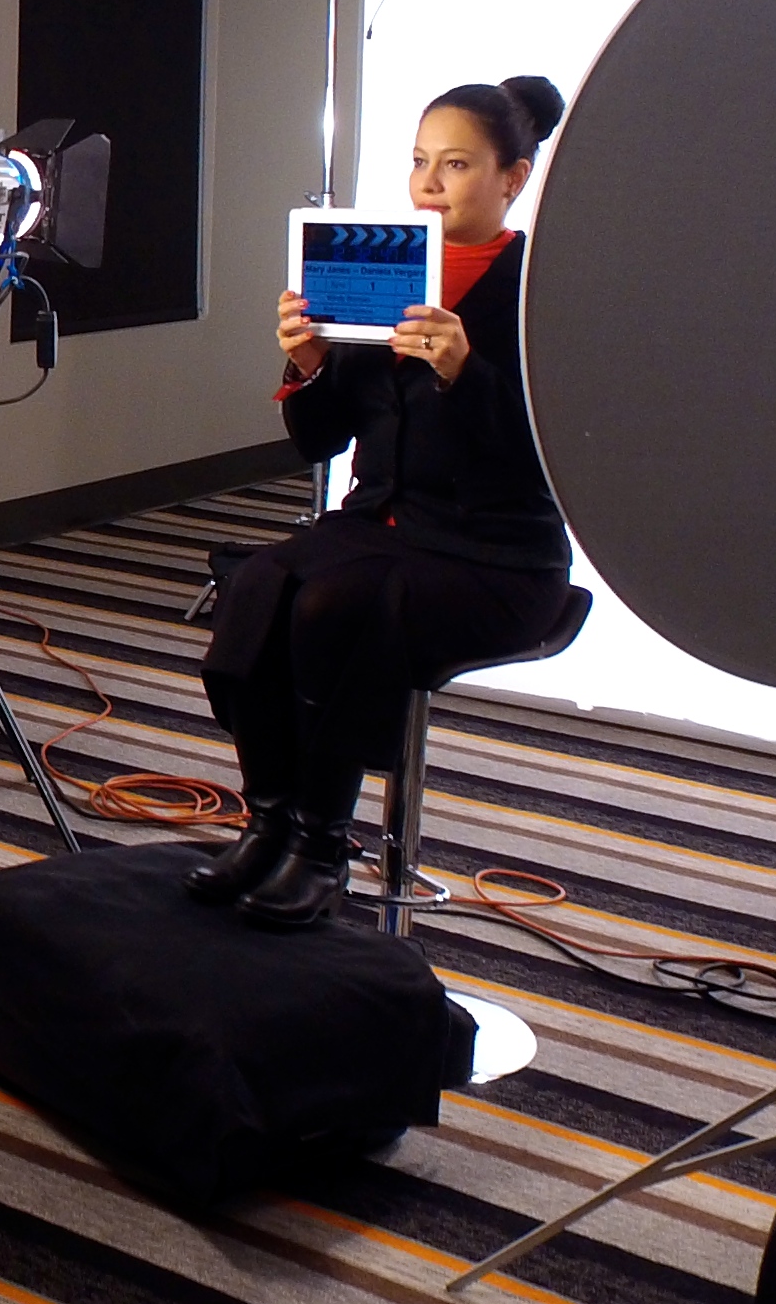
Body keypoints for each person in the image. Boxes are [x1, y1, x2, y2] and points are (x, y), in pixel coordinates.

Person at [188, 77, 575, 928]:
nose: (430, 182)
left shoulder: (548, 288)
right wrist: (311, 363)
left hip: (497, 550)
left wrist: (461, 372)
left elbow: (550, 464)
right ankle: (273, 819)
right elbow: (321, 443)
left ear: (512, 179)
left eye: (458, 164)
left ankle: (325, 846)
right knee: (258, 585)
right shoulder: (384, 264)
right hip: (381, 525)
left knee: (335, 604)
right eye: (419, 161)